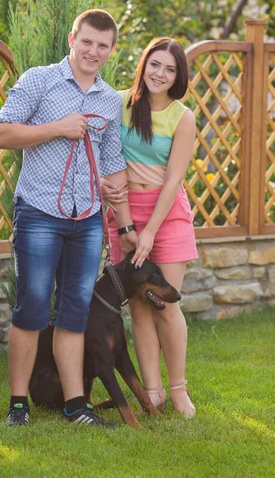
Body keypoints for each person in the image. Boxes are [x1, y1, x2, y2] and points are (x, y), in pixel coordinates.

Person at [0, 9, 138, 427]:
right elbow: (1, 134)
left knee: (74, 311)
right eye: (87, 41)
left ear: (111, 51)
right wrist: (56, 127)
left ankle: (76, 405)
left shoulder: (110, 100)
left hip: (89, 217)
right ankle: (18, 404)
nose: (93, 51)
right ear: (72, 38)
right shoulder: (39, 80)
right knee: (33, 308)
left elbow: (112, 163)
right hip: (39, 212)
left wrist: (122, 218)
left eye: (103, 46)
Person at [102, 36, 197, 418]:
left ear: (178, 76)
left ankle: (178, 391)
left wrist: (151, 231)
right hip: (124, 213)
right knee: (139, 307)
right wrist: (127, 225)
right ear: (144, 65)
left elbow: (173, 180)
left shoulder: (182, 116)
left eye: (170, 69)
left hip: (167, 215)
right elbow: (111, 159)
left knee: (165, 303)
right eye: (155, 64)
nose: (160, 74)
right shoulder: (120, 103)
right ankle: (152, 392)